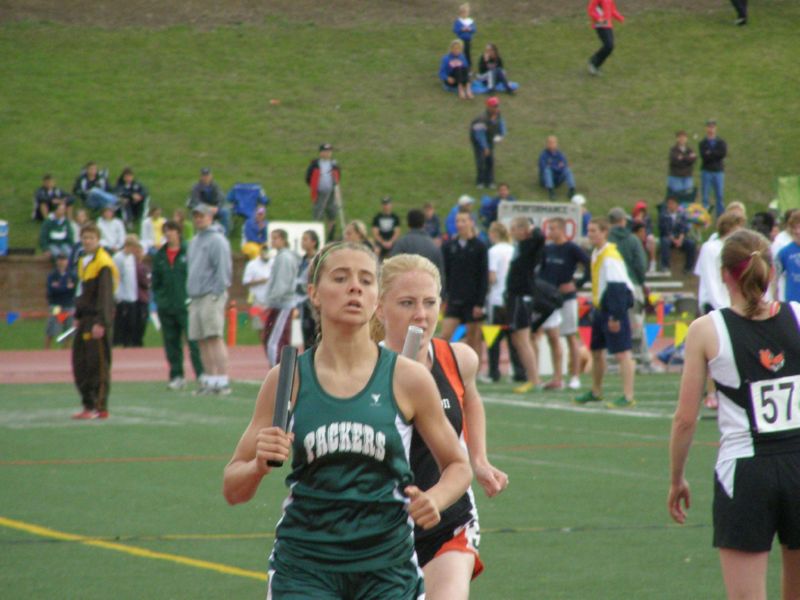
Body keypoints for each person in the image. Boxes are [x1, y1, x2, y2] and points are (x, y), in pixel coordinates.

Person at [222, 241, 472, 599]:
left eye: (366, 280)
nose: (355, 287)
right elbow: (233, 488)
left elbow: (458, 467)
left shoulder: (408, 378)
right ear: (314, 294)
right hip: (305, 568)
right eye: (340, 278)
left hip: (388, 569)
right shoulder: (287, 378)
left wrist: (435, 498)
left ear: (377, 300)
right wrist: (258, 466)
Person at [668, 229, 800, 600]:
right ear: (771, 272)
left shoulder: (707, 330)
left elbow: (685, 419)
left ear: (725, 274)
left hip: (745, 472)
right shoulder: (798, 316)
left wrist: (676, 478)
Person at [375, 253, 508, 599]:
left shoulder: (458, 358)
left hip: (447, 521)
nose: (421, 313)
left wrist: (478, 459)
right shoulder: (362, 371)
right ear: (379, 307)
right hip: (376, 532)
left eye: (430, 302)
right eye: (407, 303)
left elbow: (471, 400)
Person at [575, 217, 636, 408]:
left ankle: (628, 396)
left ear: (604, 233)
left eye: (594, 231)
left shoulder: (610, 256)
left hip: (612, 309)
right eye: (589, 230)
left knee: (622, 353)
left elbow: (618, 287)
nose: (590, 234)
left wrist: (615, 316)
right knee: (596, 351)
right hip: (601, 307)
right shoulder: (597, 253)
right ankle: (596, 390)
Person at [693, 212, 746, 410]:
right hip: (714, 305)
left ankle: (725, 392)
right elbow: (711, 280)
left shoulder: (733, 250)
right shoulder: (711, 248)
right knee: (712, 351)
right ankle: (710, 393)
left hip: (730, 304)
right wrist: (722, 308)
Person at [71, 222, 118, 420]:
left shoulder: (103, 264)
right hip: (85, 319)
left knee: (97, 364)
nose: (87, 241)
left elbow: (105, 296)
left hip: (97, 320)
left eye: (91, 237)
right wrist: (78, 315)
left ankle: (100, 406)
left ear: (98, 239)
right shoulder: (84, 261)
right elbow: (83, 294)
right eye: (84, 237)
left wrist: (101, 322)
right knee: (80, 363)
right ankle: (87, 404)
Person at [539, 217, 591, 390]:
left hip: (567, 298)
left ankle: (575, 376)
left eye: (553, 228)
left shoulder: (572, 248)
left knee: (570, 336)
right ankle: (557, 377)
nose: (550, 232)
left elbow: (589, 265)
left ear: (561, 230)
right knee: (552, 337)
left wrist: (577, 284)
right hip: (551, 299)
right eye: (549, 228)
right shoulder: (547, 249)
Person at [152, 220, 204, 391]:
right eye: (166, 231)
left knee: (193, 341)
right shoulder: (160, 255)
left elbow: (196, 275)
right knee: (171, 343)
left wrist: (191, 298)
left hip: (186, 305)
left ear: (178, 233)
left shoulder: (188, 251)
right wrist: (160, 300)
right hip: (166, 306)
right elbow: (156, 282)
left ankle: (201, 375)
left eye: (172, 230)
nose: (169, 234)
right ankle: (177, 376)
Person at [187, 203, 232, 395]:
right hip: (195, 296)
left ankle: (222, 379)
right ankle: (209, 379)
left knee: (214, 336)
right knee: (201, 339)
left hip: (210, 295)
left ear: (210, 217)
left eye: (202, 216)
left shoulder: (217, 240)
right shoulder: (195, 240)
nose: (198, 219)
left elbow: (223, 269)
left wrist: (217, 293)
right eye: (196, 216)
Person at [505, 216, 547, 393]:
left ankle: (534, 379)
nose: (511, 232)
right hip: (515, 296)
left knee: (523, 338)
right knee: (518, 338)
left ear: (524, 230)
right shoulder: (520, 247)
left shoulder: (530, 244)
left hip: (522, 296)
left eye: (515, 228)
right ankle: (532, 377)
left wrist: (532, 228)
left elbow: (540, 237)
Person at [442, 210, 488, 357]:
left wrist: (480, 303)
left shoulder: (480, 247)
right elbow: (445, 274)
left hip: (473, 301)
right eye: (457, 221)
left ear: (471, 222)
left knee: (473, 340)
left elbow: (483, 276)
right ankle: (441, 370)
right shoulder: (449, 246)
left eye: (463, 221)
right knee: (445, 336)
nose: (460, 224)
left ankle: (474, 374)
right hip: (454, 298)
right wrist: (444, 297)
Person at [609, 207, 650, 370]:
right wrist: (640, 281)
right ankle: (642, 358)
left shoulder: (606, 240)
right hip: (632, 285)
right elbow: (641, 264)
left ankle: (614, 359)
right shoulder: (632, 240)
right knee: (637, 323)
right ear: (623, 221)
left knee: (614, 323)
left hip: (612, 287)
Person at [486, 222, 524, 383]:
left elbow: (492, 276)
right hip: (512, 298)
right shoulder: (513, 249)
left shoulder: (493, 251)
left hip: (497, 298)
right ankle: (519, 372)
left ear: (494, 234)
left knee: (493, 337)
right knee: (513, 336)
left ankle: (494, 372)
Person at [261, 229, 299, 366]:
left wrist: (270, 300)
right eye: (272, 238)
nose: (273, 241)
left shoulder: (285, 258)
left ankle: (278, 372)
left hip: (283, 305)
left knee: (274, 342)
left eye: (276, 238)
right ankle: (281, 370)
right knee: (274, 339)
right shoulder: (280, 256)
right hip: (279, 304)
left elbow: (282, 284)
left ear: (283, 239)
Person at [390, 209, 444, 281]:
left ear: (408, 223)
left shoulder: (401, 244)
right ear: (424, 223)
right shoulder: (433, 246)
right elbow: (440, 276)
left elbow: (391, 269)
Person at [306, 143, 341, 241]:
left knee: (332, 215)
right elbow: (308, 177)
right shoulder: (315, 165)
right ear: (321, 153)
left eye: (329, 151)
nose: (327, 153)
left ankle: (330, 237)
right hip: (319, 193)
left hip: (331, 193)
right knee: (318, 215)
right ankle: (317, 238)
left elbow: (338, 176)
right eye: (325, 151)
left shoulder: (334, 164)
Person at [470, 97, 506, 189]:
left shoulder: (498, 114)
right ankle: (480, 181)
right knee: (481, 160)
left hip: (489, 139)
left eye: (497, 106)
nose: (496, 108)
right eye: (494, 106)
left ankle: (490, 181)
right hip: (478, 141)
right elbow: (480, 135)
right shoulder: (481, 119)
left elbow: (501, 124)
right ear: (489, 107)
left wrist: (502, 135)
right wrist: (485, 147)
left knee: (490, 161)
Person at [112, 235, 140, 348]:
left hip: (132, 296)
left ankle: (129, 346)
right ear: (128, 246)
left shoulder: (131, 258)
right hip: (122, 298)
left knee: (132, 326)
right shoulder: (118, 258)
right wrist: (117, 296)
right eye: (134, 247)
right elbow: (115, 278)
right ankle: (119, 346)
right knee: (121, 326)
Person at [44, 253, 77, 349]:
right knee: (52, 328)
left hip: (69, 305)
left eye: (64, 259)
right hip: (56, 306)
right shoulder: (52, 275)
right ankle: (46, 349)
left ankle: (65, 350)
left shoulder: (72, 275)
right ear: (57, 261)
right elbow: (52, 290)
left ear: (67, 261)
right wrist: (66, 287)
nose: (61, 262)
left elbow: (73, 290)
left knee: (69, 329)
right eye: (59, 259)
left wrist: (60, 287)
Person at [295, 229, 320, 351]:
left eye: (305, 239)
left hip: (314, 303)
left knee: (315, 333)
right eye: (302, 239)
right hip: (303, 303)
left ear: (314, 242)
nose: (302, 242)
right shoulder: (302, 261)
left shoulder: (318, 260)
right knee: (305, 333)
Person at [658, 196, 696, 274]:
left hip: (679, 238)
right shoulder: (663, 215)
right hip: (668, 238)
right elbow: (665, 230)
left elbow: (683, 229)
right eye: (669, 204)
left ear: (676, 205)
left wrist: (680, 239)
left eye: (672, 203)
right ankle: (665, 266)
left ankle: (689, 268)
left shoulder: (682, 215)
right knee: (665, 242)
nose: (670, 205)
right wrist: (674, 240)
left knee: (691, 244)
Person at [587, 0, 624, 75]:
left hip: (608, 24)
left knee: (610, 46)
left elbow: (612, 10)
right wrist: (598, 19)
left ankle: (594, 62)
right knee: (609, 45)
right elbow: (591, 10)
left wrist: (620, 17)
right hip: (600, 24)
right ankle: (594, 63)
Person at [188, 167, 229, 235]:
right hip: (202, 209)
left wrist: (217, 207)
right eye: (204, 176)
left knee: (225, 212)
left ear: (211, 176)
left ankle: (224, 234)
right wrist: (206, 208)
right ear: (201, 177)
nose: (206, 177)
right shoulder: (196, 187)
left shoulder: (215, 186)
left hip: (214, 208)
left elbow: (221, 199)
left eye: (207, 175)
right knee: (197, 213)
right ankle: (200, 232)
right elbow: (195, 201)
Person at [699, 120, 728, 216]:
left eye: (712, 127)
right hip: (706, 171)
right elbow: (704, 156)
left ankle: (720, 217)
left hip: (718, 171)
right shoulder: (703, 143)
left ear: (715, 129)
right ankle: (704, 217)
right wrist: (715, 154)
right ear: (706, 128)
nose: (711, 129)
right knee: (705, 196)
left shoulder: (721, 142)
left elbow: (722, 154)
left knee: (719, 195)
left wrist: (711, 153)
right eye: (709, 127)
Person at [538, 136, 577, 200]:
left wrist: (551, 166)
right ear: (547, 144)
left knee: (567, 170)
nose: (552, 144)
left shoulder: (560, 154)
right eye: (550, 143)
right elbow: (543, 167)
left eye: (554, 143)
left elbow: (564, 165)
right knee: (547, 171)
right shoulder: (543, 155)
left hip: (557, 179)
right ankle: (551, 192)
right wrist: (557, 166)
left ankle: (571, 190)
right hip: (545, 180)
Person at [776, 211, 800, 303]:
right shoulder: (784, 253)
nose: (797, 231)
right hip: (793, 305)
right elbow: (774, 278)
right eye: (794, 228)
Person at [667, 130, 697, 201]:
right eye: (680, 137)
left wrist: (682, 158)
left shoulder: (690, 149)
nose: (682, 139)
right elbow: (675, 161)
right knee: (677, 198)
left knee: (688, 197)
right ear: (677, 139)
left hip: (687, 177)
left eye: (684, 137)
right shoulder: (673, 150)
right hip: (676, 177)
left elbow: (693, 160)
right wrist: (687, 158)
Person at [631, 200, 658, 273]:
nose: (641, 212)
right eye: (640, 210)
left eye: (643, 210)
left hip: (646, 238)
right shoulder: (631, 218)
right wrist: (635, 222)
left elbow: (650, 230)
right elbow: (630, 230)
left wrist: (643, 224)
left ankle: (653, 263)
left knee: (651, 238)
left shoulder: (647, 218)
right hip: (635, 238)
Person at [452, 2, 476, 67]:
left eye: (466, 12)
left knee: (467, 53)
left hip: (468, 41)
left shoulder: (470, 21)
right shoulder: (458, 21)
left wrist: (469, 29)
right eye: (463, 12)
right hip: (460, 40)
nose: (464, 14)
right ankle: (459, 65)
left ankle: (468, 67)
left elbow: (474, 29)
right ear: (460, 13)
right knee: (460, 53)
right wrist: (461, 29)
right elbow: (454, 30)